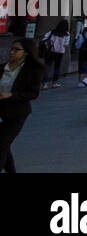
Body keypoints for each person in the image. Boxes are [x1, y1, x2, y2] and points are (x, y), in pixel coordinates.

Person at [0, 38, 45, 172]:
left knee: (1, 145)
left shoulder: (33, 70)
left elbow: (33, 93)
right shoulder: (3, 67)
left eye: (16, 49)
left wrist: (12, 95)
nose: (12, 52)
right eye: (12, 48)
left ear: (26, 53)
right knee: (4, 145)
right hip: (1, 110)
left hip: (17, 113)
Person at [40, 20, 69, 89]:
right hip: (60, 53)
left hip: (50, 51)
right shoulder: (67, 34)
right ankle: (54, 83)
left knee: (47, 67)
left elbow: (44, 39)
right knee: (57, 68)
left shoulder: (52, 32)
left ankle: (45, 84)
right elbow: (66, 44)